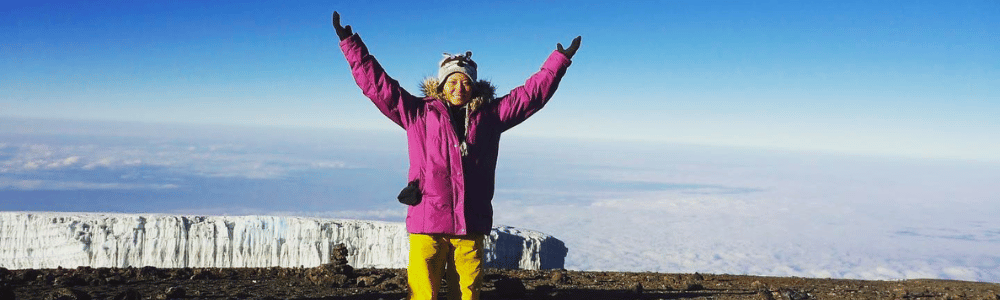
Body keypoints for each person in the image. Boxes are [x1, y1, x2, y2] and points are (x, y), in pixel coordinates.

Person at [331, 11, 580, 300]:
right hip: (428, 221)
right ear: (440, 84)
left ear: (473, 85)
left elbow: (530, 96)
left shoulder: (491, 115)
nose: (458, 88)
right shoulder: (418, 113)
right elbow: (379, 87)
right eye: (451, 82)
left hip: (470, 222)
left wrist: (558, 62)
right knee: (423, 292)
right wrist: (351, 45)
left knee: (467, 293)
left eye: (464, 82)